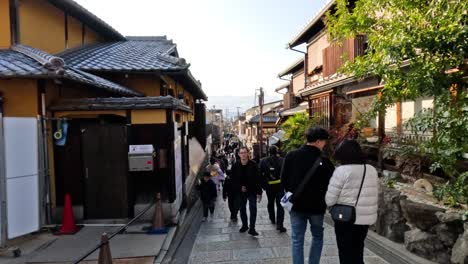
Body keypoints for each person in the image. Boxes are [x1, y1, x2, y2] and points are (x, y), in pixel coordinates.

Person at [280, 127, 335, 264]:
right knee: (317, 236)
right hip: (317, 207)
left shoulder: (291, 156)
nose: (325, 144)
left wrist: (292, 193)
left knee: (297, 239)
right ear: (317, 141)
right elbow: (332, 184)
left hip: (296, 205)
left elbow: (284, 180)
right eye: (324, 142)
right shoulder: (325, 162)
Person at [325, 140, 378, 264]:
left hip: (345, 217)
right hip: (364, 217)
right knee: (358, 248)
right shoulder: (370, 170)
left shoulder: (341, 171)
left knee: (345, 250)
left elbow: (330, 199)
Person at [230, 147, 262, 236]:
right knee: (242, 209)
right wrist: (239, 187)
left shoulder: (253, 164)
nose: (243, 154)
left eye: (245, 152)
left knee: (253, 208)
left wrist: (259, 192)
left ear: (248, 153)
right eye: (241, 153)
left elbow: (258, 179)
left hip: (252, 190)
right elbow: (232, 180)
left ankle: (252, 228)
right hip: (241, 191)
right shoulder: (235, 165)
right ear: (239, 154)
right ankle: (245, 225)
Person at [259, 145, 286, 233]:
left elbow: (259, 174)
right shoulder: (282, 160)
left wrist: (264, 185)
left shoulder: (263, 161)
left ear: (269, 151)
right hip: (280, 186)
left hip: (269, 186)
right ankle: (280, 224)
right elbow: (286, 173)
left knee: (270, 202)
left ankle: (272, 218)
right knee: (280, 205)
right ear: (277, 151)